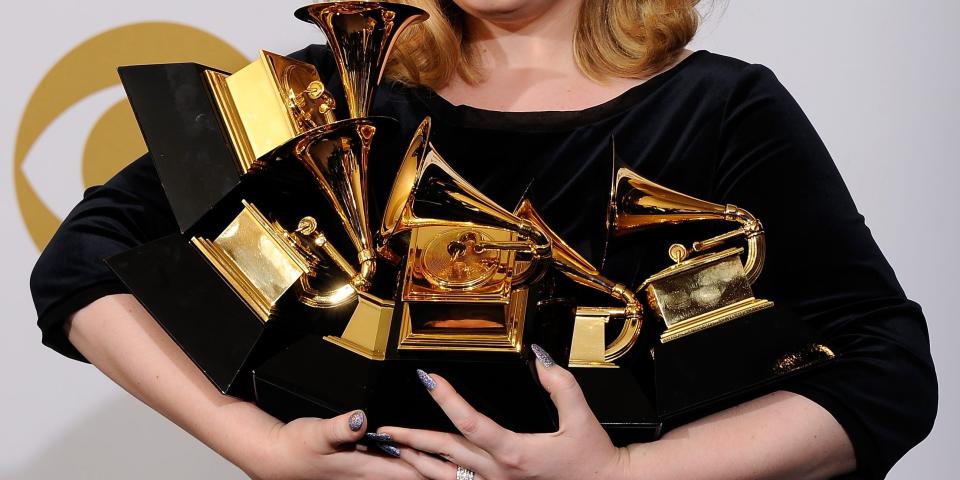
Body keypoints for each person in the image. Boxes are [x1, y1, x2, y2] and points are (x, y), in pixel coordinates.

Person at [30, 0, 937, 479]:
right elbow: (84, 259)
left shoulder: (724, 107)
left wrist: (624, 475)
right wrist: (251, 443)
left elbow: (882, 369)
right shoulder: (329, 90)